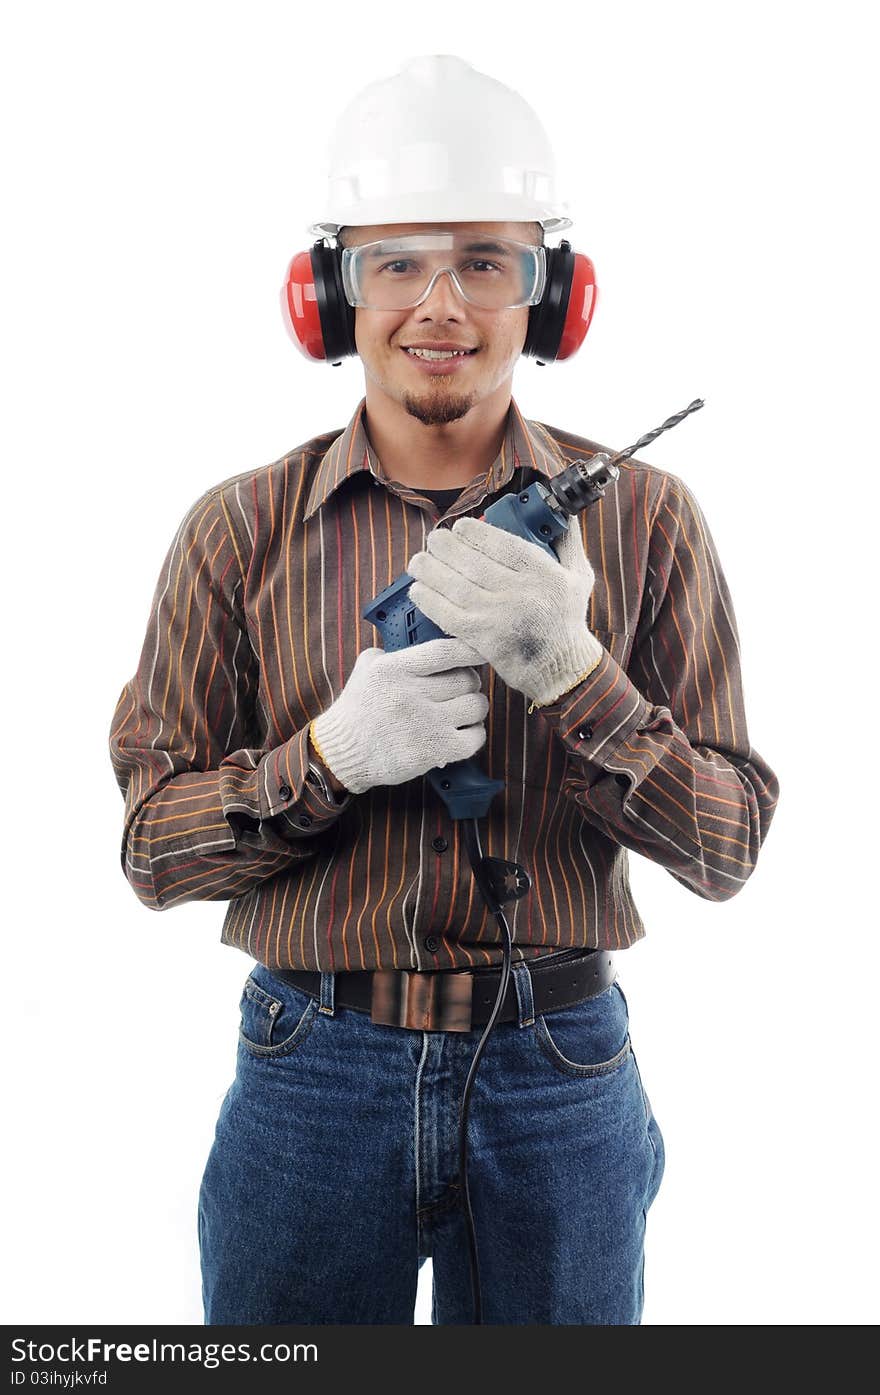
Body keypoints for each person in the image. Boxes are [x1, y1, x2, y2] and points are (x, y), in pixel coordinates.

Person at [108, 55, 779, 1326]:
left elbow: (728, 848)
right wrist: (332, 758)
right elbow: (150, 854)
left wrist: (573, 676)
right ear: (329, 296)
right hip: (310, 1070)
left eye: (486, 259)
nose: (441, 303)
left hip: (561, 1070)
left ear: (553, 295)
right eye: (396, 260)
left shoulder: (649, 522)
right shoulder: (237, 530)